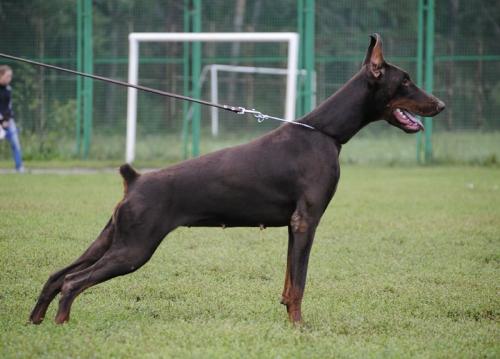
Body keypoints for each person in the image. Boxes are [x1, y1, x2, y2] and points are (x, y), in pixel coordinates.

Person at [0, 65, 24, 172]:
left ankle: (19, 167)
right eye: (7, 76)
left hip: (8, 120)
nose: (10, 79)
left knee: (15, 142)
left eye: (11, 76)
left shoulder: (8, 89)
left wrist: (6, 120)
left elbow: (9, 107)